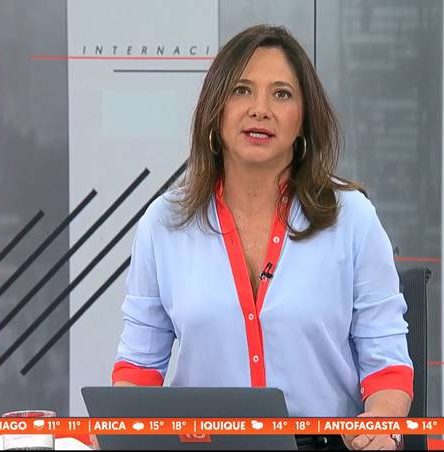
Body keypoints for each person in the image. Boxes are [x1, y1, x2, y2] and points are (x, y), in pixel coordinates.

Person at [111, 25, 413, 451]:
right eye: (241, 90)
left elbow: (386, 360)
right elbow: (139, 367)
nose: (260, 110)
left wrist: (379, 423)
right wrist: (119, 432)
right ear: (215, 111)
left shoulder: (352, 219)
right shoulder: (164, 222)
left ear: (303, 120)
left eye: (281, 94)